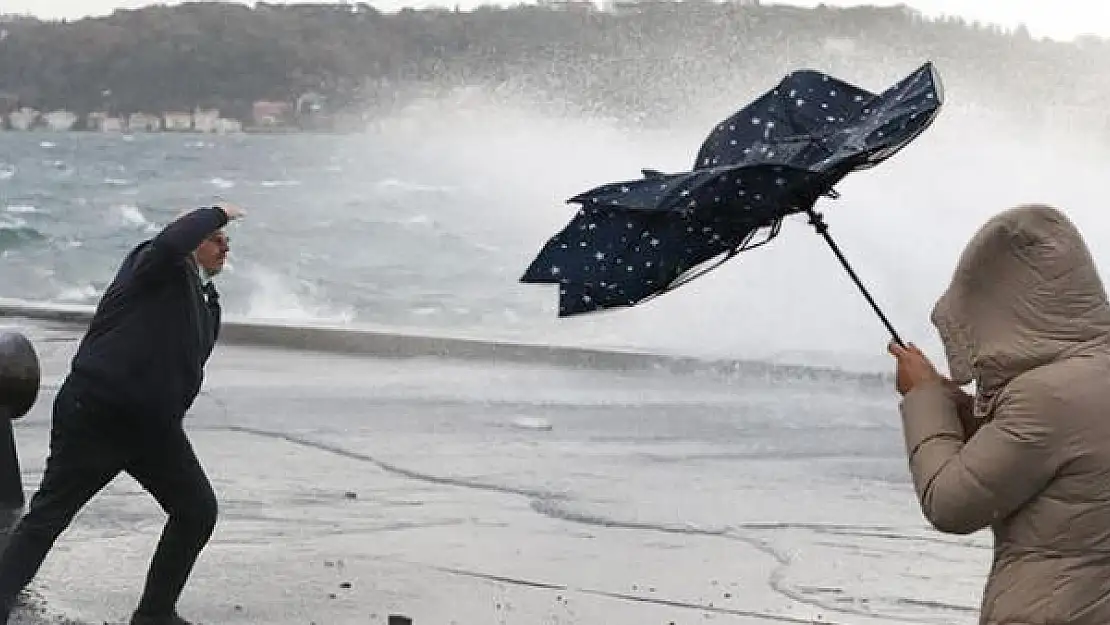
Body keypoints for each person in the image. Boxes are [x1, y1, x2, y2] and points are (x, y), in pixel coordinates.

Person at [0, 203, 245, 625]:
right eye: (215, 238)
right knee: (47, 519)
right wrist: (216, 211)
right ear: (192, 239)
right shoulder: (153, 264)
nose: (225, 247)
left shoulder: (207, 301)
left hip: (153, 431)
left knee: (197, 510)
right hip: (98, 414)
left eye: (227, 241)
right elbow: (171, 241)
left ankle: (154, 614)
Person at [889, 203, 1110, 624]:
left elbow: (951, 504)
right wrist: (949, 400)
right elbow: (1045, 461)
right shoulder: (1084, 378)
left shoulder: (1047, 397)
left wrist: (923, 398)